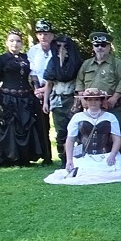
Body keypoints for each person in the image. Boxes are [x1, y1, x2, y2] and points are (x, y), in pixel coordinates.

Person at [0, 29, 48, 168]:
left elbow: (34, 75)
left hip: (26, 98)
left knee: (27, 127)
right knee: (9, 129)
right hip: (8, 99)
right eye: (12, 41)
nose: (15, 44)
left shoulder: (26, 58)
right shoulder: (1, 59)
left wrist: (37, 89)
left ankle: (24, 158)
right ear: (6, 43)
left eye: (18, 41)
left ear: (22, 43)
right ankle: (10, 158)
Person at [43, 88, 121, 185]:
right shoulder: (78, 118)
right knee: (83, 173)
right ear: (86, 101)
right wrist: (69, 159)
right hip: (85, 156)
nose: (93, 102)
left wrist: (112, 155)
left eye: (96, 99)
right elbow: (70, 140)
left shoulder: (110, 117)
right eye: (90, 99)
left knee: (115, 172)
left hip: (106, 155)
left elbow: (117, 139)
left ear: (101, 101)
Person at [76, 30, 121, 130]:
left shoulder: (117, 64)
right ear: (93, 47)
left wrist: (114, 98)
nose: (100, 48)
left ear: (109, 47)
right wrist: (82, 98)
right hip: (90, 106)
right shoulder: (86, 64)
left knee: (114, 134)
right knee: (88, 134)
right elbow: (79, 81)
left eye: (103, 45)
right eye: (97, 45)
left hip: (112, 106)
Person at [42, 34, 82, 167]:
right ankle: (64, 159)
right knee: (61, 131)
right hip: (58, 100)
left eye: (65, 46)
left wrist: (79, 101)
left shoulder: (76, 62)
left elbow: (81, 83)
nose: (62, 49)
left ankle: (77, 158)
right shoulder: (52, 62)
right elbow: (48, 84)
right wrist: (45, 102)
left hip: (73, 99)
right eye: (58, 46)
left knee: (76, 130)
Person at [28, 19, 54, 157]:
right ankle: (46, 155)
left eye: (46, 33)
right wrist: (37, 90)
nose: (43, 36)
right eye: (40, 33)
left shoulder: (58, 50)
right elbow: (33, 73)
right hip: (39, 91)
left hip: (55, 90)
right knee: (42, 125)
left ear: (51, 35)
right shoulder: (33, 51)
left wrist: (45, 90)